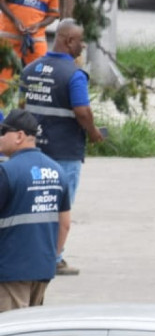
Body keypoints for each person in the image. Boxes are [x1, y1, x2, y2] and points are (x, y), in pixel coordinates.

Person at [19, 19, 106, 274]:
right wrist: (94, 133)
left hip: (33, 150)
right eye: (80, 41)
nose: (82, 45)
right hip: (64, 151)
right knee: (60, 207)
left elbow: (23, 108)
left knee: (33, 204)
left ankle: (30, 253)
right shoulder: (74, 75)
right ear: (68, 41)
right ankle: (54, 259)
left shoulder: (31, 69)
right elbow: (82, 110)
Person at [0, 109, 70, 311]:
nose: (0, 137)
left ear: (19, 136)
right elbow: (65, 224)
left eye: (3, 132)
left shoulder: (7, 172)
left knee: (9, 334)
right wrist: (50, 258)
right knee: (31, 331)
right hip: (42, 269)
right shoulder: (57, 170)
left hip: (11, 271)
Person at [0, 0, 62, 85]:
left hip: (35, 39)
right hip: (8, 35)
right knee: (3, 78)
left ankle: (28, 105)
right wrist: (15, 20)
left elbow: (53, 14)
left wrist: (39, 25)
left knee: (38, 78)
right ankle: (1, 105)